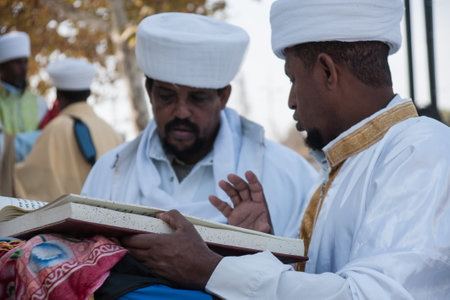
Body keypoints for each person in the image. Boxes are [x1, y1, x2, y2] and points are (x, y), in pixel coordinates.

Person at [118, 0, 450, 299]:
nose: (291, 101)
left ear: (326, 71)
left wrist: (209, 269)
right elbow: (326, 283)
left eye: (292, 78)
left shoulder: (421, 150)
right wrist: (260, 250)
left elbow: (370, 295)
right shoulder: (347, 165)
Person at [82, 12, 317, 238]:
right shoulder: (110, 173)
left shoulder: (288, 176)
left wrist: (264, 244)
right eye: (167, 96)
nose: (181, 112)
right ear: (149, 92)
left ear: (223, 97)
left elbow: (307, 271)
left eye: (197, 98)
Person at [14, 58, 122, 202]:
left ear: (58, 96)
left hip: (69, 222)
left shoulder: (54, 130)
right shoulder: (110, 132)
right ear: (88, 93)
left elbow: (28, 179)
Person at [0, 31, 47, 135]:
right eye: (17, 63)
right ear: (2, 67)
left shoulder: (39, 103)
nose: (24, 68)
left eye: (25, 62)